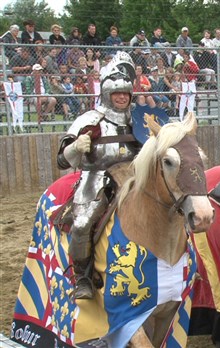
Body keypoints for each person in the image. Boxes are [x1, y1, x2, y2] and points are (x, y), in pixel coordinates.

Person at [56, 52, 139, 299]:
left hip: (135, 176)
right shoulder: (91, 120)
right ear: (106, 95)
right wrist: (75, 147)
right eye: (117, 93)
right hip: (98, 177)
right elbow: (62, 160)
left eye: (125, 93)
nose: (122, 97)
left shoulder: (140, 119)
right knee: (82, 224)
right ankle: (82, 277)